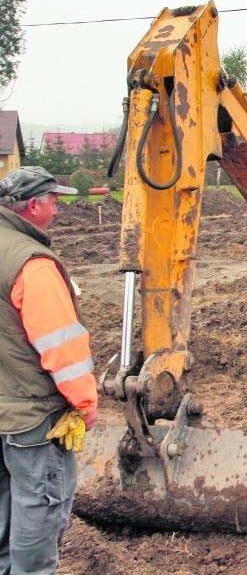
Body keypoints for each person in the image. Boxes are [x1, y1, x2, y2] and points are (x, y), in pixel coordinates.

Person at [0, 166, 98, 574]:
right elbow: (61, 344)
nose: (59, 210)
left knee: (5, 502)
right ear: (34, 205)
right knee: (41, 504)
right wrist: (85, 402)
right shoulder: (33, 265)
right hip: (33, 413)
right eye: (55, 202)